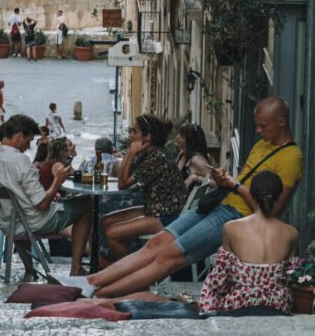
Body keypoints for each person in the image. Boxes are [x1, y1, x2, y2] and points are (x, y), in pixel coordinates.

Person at [58, 97, 302, 298]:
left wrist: (235, 185)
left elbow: (272, 211)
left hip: (236, 216)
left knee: (167, 258)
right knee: (155, 245)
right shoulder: (262, 146)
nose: (258, 132)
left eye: (263, 126)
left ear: (281, 122)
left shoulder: (291, 158)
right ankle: (89, 281)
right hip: (217, 204)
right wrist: (225, 181)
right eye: (257, 125)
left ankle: (98, 296)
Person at [0, 114, 92, 276]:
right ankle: (76, 268)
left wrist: (48, 194)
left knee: (27, 211)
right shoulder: (20, 161)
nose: (28, 146)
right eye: (28, 141)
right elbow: (42, 205)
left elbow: (6, 198)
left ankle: (29, 269)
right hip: (35, 221)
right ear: (19, 136)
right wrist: (56, 183)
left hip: (10, 221)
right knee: (87, 205)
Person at [199, 171, 299, 314]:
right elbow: (291, 279)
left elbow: (220, 278)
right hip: (278, 305)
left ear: (252, 195)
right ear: (278, 198)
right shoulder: (292, 233)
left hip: (241, 304)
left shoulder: (231, 228)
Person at [101, 115, 187, 261]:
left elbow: (122, 183)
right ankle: (107, 265)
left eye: (134, 132)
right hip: (154, 208)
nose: (130, 136)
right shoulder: (148, 155)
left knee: (112, 234)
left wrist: (130, 153)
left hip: (167, 216)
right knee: (105, 221)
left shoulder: (157, 158)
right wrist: (132, 155)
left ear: (147, 137)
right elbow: (124, 174)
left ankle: (130, 274)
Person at [175, 123, 212, 189]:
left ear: (191, 139)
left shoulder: (196, 159)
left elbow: (215, 183)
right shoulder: (182, 154)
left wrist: (195, 177)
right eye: (178, 133)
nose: (177, 137)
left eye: (182, 135)